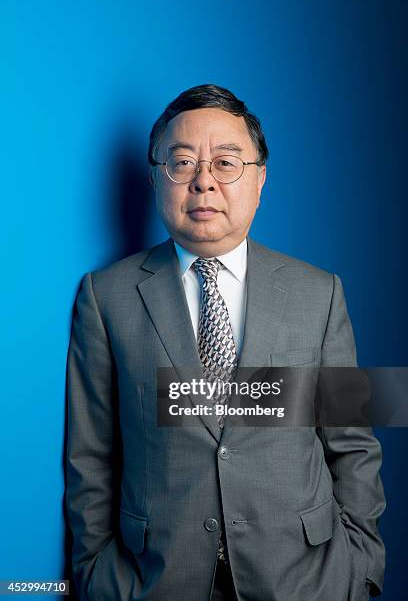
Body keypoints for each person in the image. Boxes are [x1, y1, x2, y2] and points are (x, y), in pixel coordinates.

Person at [65, 84, 386, 600]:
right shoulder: (107, 298)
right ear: (155, 179)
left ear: (260, 180)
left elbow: (352, 444)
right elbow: (91, 454)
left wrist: (360, 563)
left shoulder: (319, 293)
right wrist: (96, 574)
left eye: (226, 163)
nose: (203, 183)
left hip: (306, 580)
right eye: (183, 162)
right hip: (157, 583)